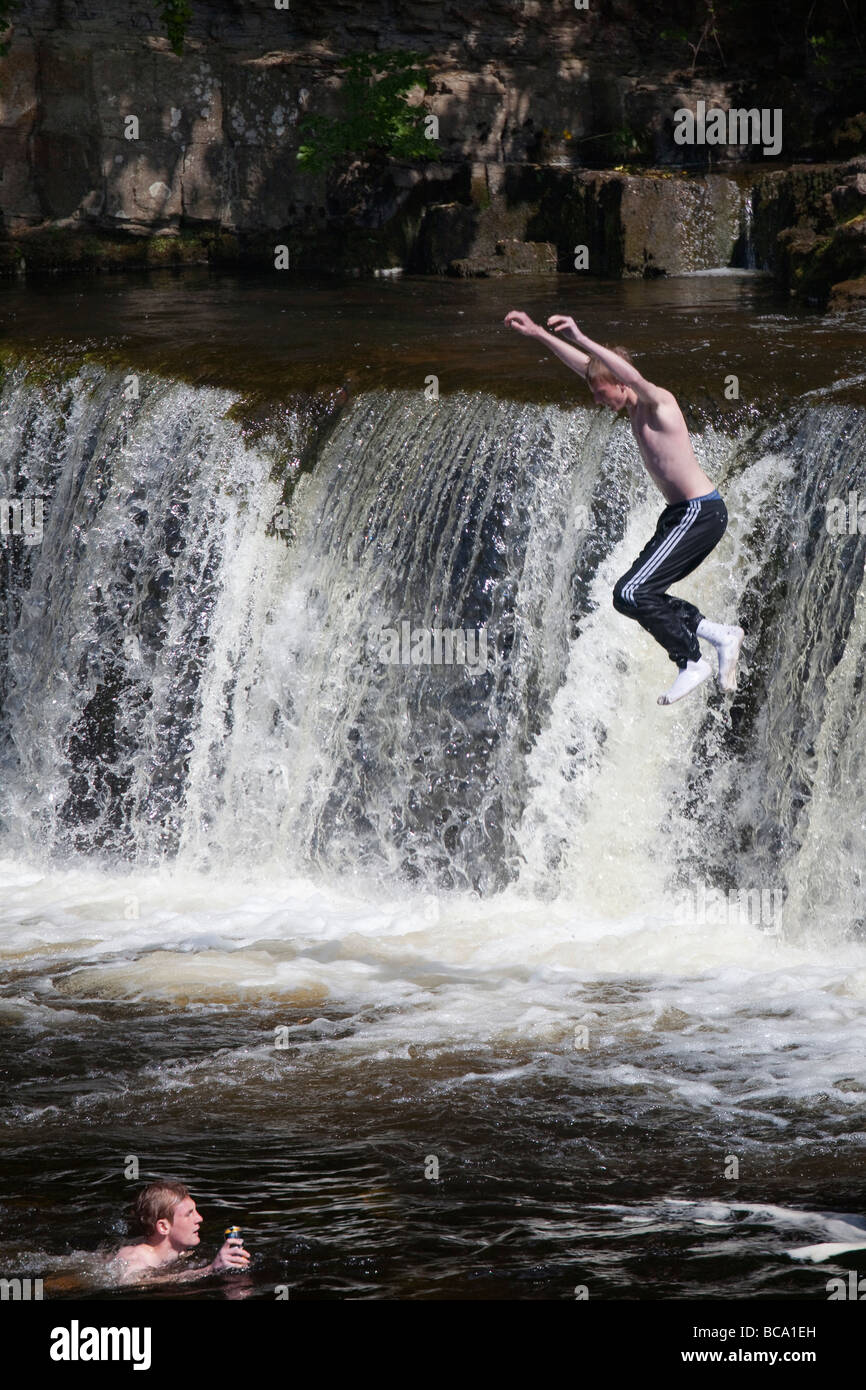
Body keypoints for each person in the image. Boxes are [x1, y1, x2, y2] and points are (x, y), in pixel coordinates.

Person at [504, 309, 744, 705]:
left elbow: (628, 375)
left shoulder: (657, 403)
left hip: (700, 512)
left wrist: (582, 333)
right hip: (679, 516)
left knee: (633, 590)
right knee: (630, 595)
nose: (597, 400)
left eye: (601, 392)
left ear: (620, 382)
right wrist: (536, 335)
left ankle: (691, 661)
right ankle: (719, 634)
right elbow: (587, 366)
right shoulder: (630, 404)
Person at [113, 1180, 250, 1284]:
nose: (200, 1218)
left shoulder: (183, 1252)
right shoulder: (135, 1258)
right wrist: (210, 1269)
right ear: (164, 1227)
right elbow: (135, 1284)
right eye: (189, 1214)